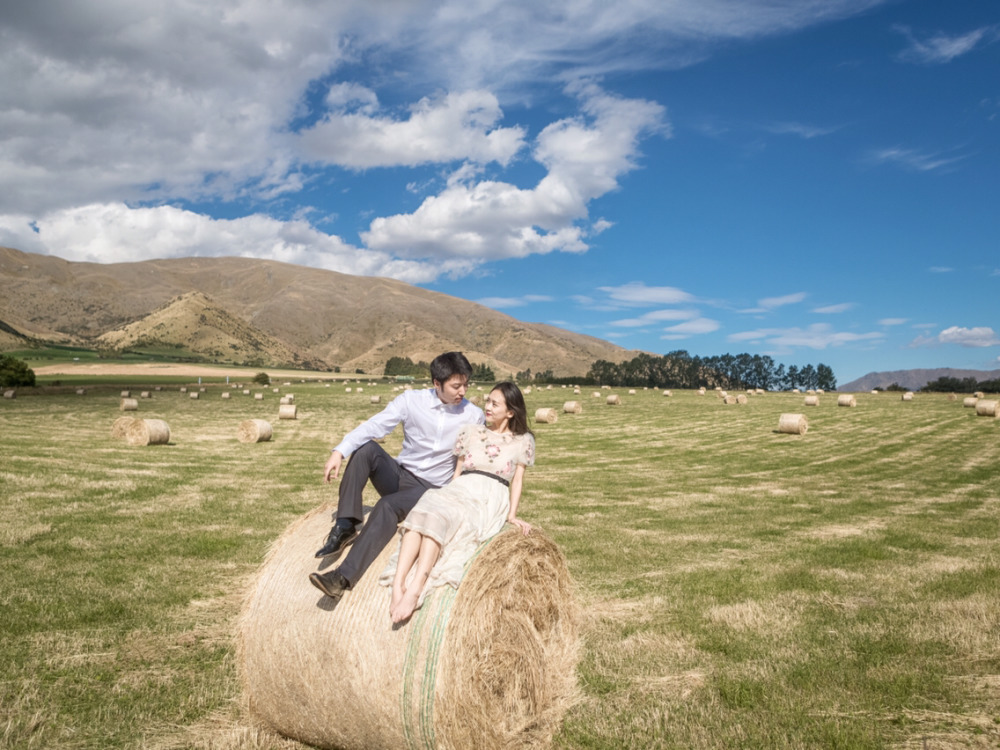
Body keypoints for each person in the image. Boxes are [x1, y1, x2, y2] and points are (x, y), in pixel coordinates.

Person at [309, 352, 484, 600]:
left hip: (431, 490)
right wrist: (340, 450)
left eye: (466, 384)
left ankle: (342, 578)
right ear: (437, 383)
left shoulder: (473, 415)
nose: (463, 391)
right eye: (456, 386)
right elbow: (375, 425)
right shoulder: (411, 401)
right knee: (366, 449)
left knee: (387, 505)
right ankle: (346, 524)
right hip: (400, 475)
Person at [378, 381, 535, 624]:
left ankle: (416, 586)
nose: (488, 407)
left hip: (488, 496)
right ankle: (398, 585)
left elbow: (517, 481)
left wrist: (512, 516)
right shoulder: (470, 431)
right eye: (488, 401)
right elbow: (457, 473)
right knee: (427, 508)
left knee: (442, 518)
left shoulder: (522, 441)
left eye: (495, 403)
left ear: (511, 411)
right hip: (461, 487)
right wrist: (446, 495)